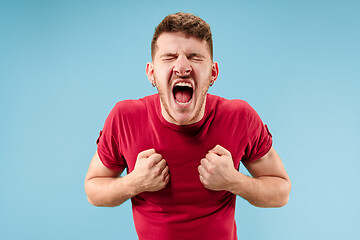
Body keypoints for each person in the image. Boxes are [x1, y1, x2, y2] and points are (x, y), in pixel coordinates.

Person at [84, 12, 291, 240]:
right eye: (169, 57)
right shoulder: (124, 118)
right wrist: (133, 182)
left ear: (213, 72)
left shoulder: (240, 117)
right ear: (151, 72)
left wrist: (234, 181)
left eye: (194, 57)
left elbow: (281, 191)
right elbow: (94, 190)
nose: (182, 67)